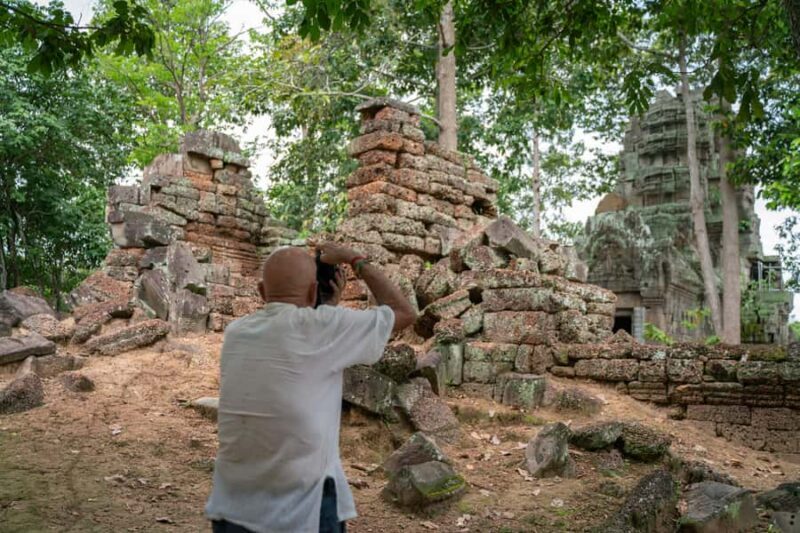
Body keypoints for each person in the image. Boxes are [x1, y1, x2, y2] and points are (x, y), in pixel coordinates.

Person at [205, 243, 417, 533]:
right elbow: (404, 312)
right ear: (313, 292)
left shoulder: (236, 334)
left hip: (233, 507)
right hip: (302, 509)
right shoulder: (323, 328)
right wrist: (353, 258)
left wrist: (326, 310)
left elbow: (297, 345)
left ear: (261, 292)